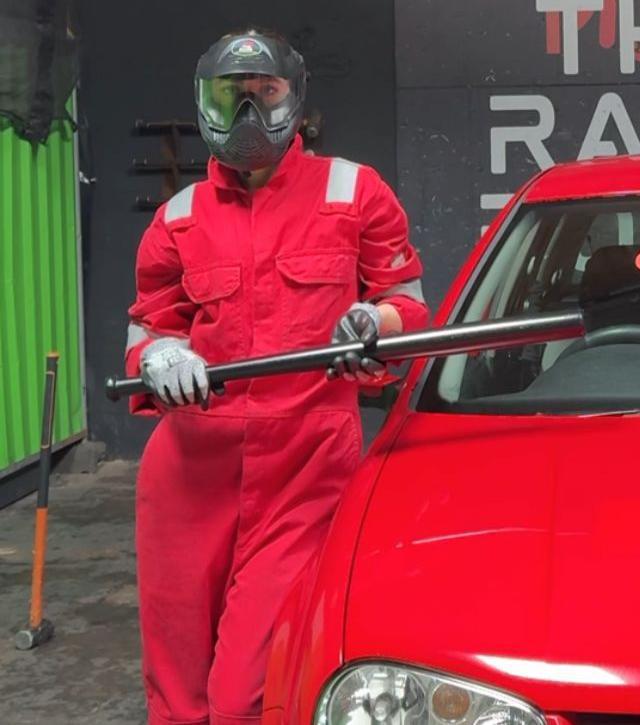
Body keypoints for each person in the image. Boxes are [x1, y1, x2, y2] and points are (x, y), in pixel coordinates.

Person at [123, 28, 428, 725]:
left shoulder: (354, 192)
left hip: (305, 463)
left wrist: (374, 326)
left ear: (296, 101)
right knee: (176, 691)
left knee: (245, 694)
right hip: (189, 473)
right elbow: (148, 328)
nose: (247, 117)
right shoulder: (177, 218)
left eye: (265, 95)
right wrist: (160, 357)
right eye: (229, 98)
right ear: (204, 104)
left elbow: (407, 302)